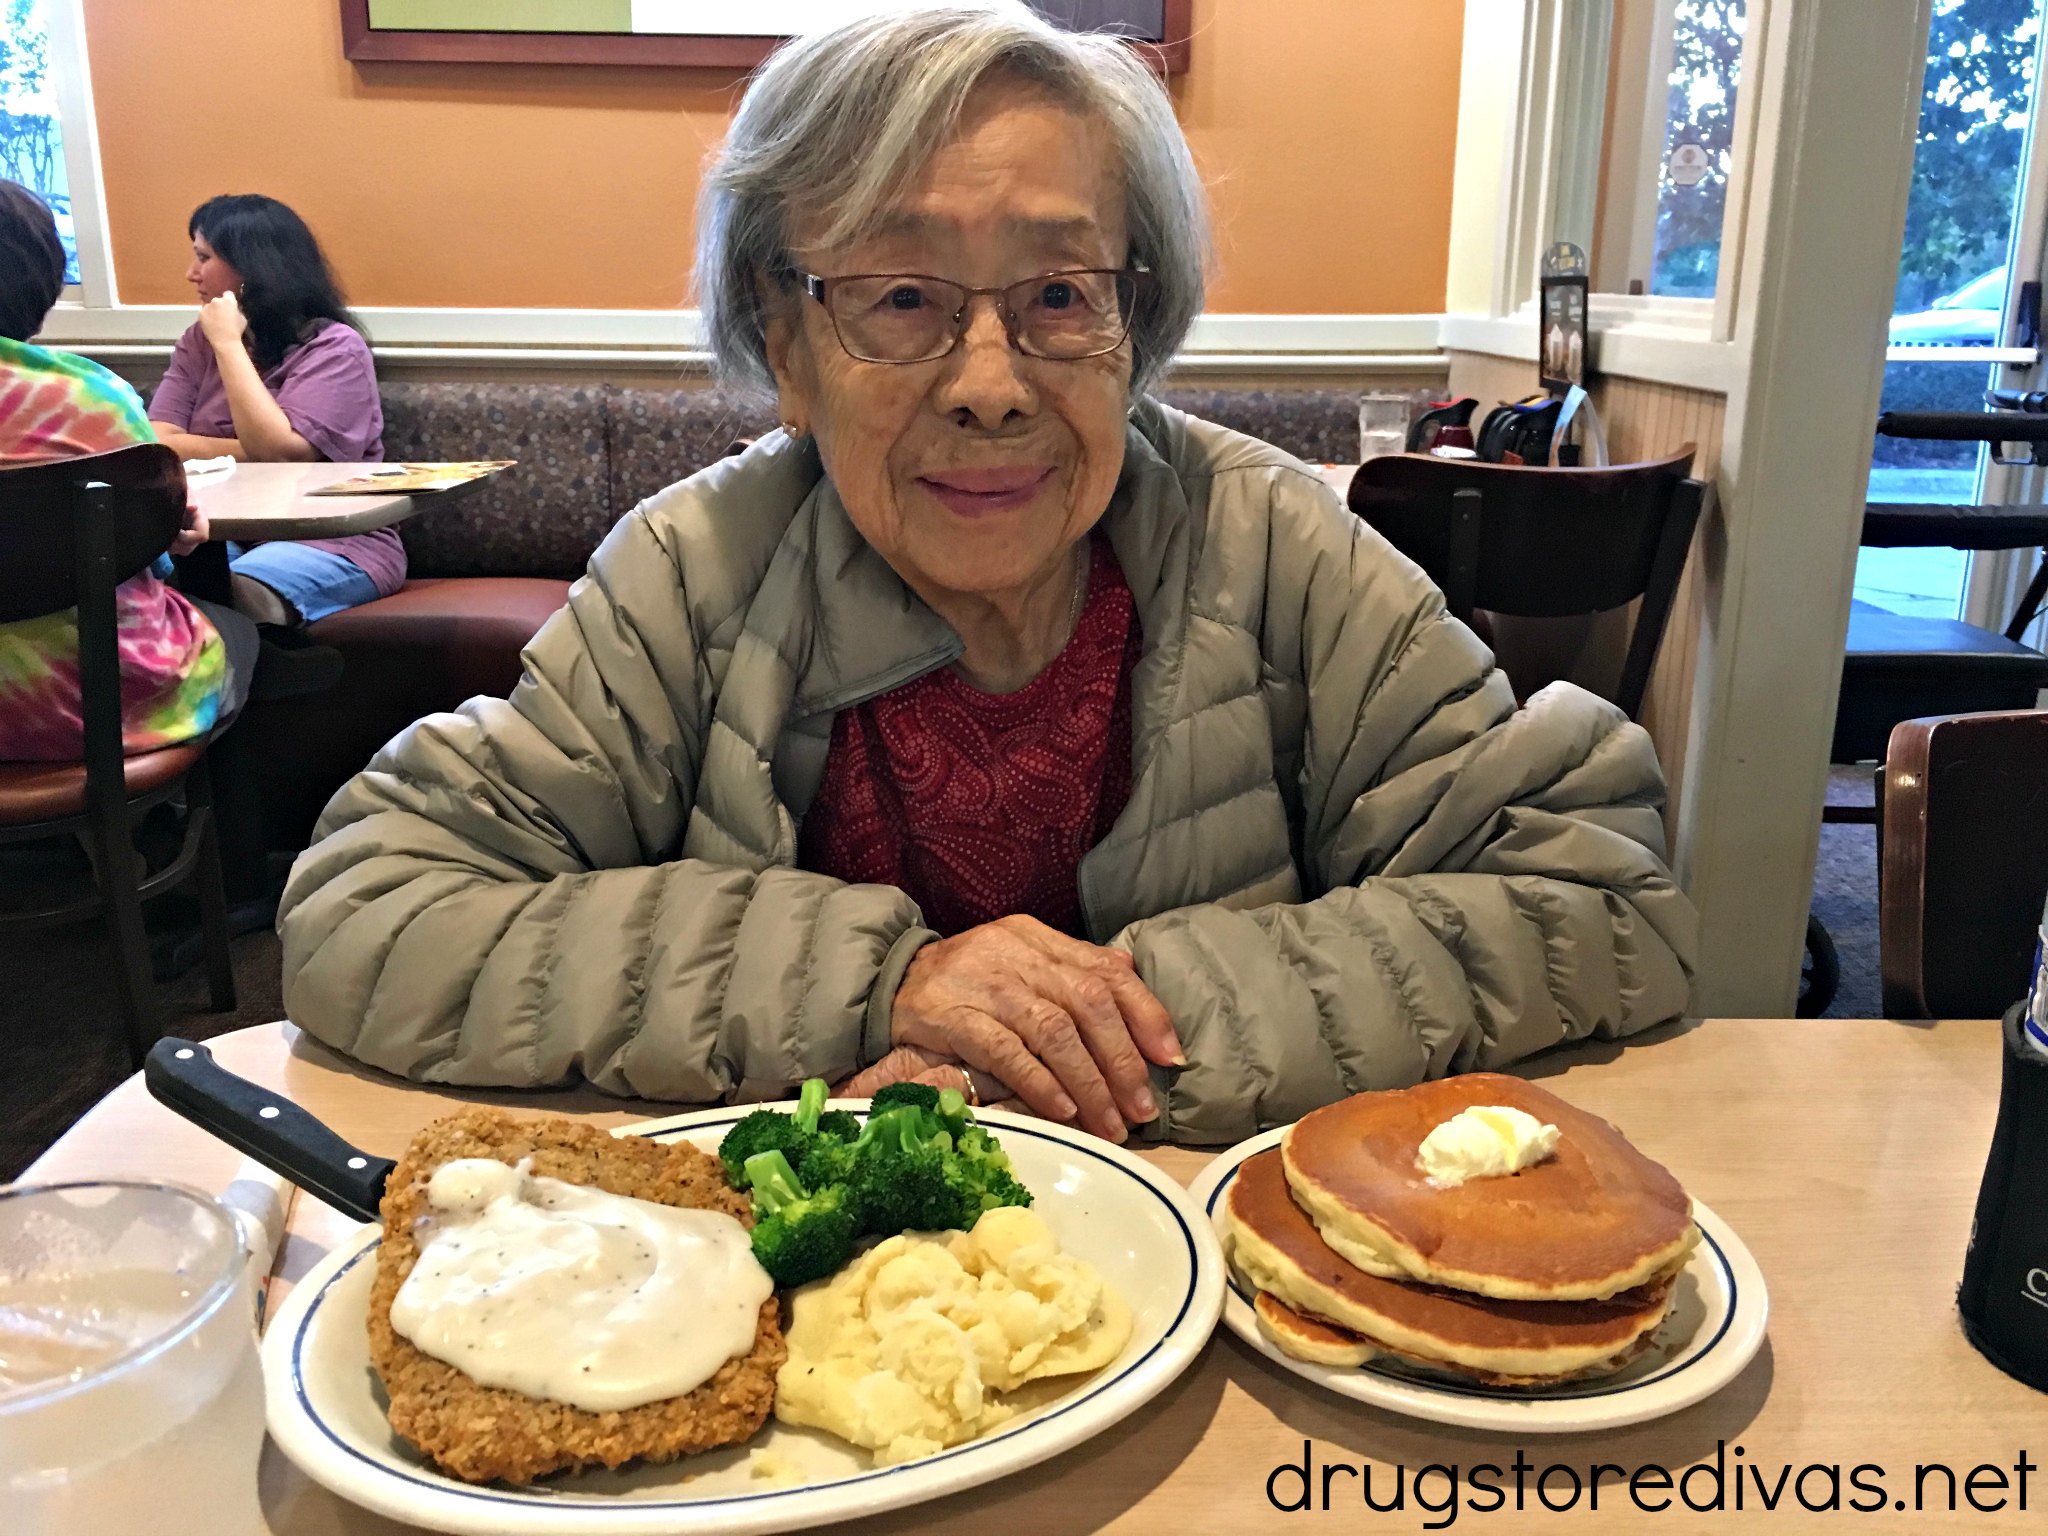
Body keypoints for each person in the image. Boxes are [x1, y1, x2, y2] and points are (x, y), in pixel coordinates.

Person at [278, 3, 1696, 1146]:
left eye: (1060, 296)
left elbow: (1598, 896)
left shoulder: (1273, 546)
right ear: (785, 347)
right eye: (901, 298)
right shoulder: (697, 571)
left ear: (1136, 326)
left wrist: (1099, 1034)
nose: (991, 385)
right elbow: (372, 912)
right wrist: (883, 983)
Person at [0, 179, 255, 760]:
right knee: (236, 630)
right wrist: (168, 526)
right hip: (99, 705)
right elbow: (147, 559)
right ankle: (213, 844)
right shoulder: (94, 398)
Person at [146, 194, 402, 627]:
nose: (191, 274)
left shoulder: (335, 348)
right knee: (142, 581)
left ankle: (268, 677)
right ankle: (272, 674)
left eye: (204, 257)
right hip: (218, 534)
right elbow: (158, 443)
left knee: (221, 599)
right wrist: (242, 450)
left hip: (329, 540)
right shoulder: (197, 341)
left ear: (253, 267)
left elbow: (280, 454)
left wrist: (229, 344)